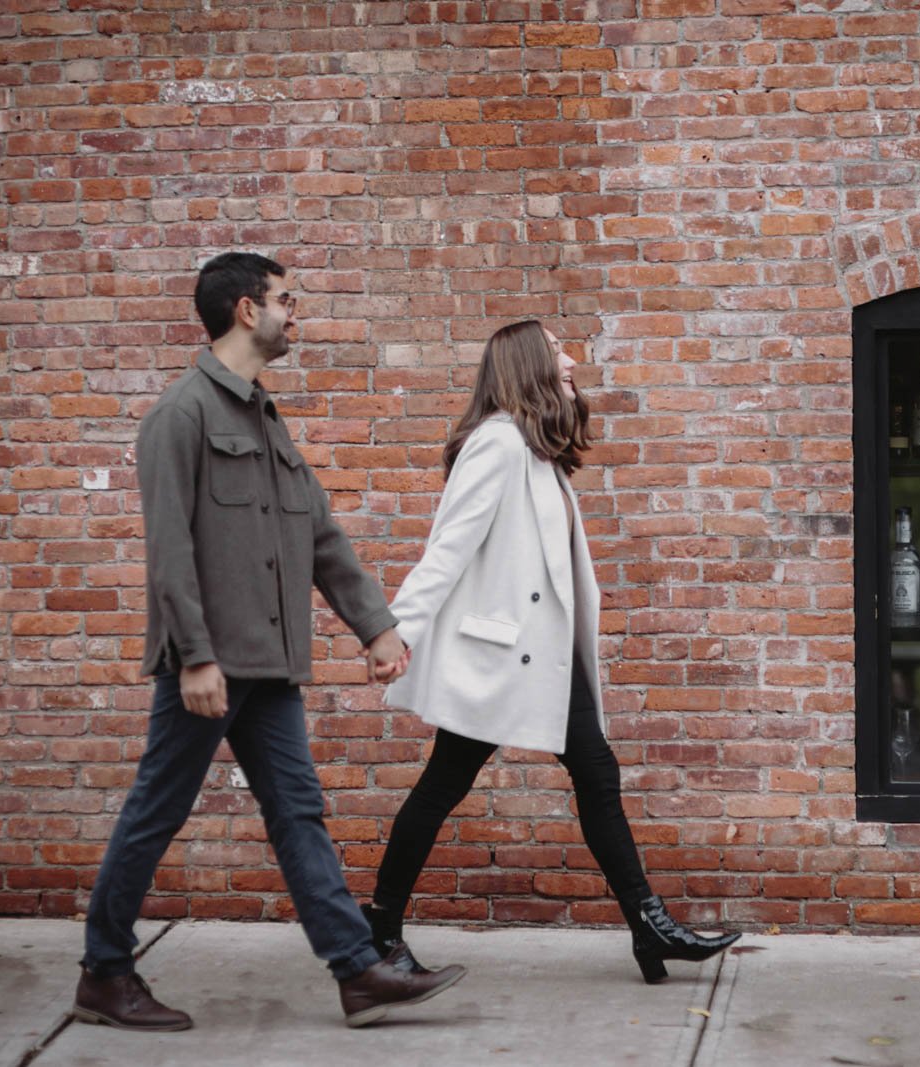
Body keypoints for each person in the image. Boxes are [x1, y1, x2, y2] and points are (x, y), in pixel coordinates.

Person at [74, 252, 465, 1032]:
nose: (299, 312)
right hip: (211, 665)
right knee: (158, 810)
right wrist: (192, 654)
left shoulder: (263, 415)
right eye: (288, 298)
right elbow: (170, 553)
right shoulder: (180, 415)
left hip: (269, 665)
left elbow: (319, 533)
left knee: (299, 813)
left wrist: (376, 626)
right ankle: (105, 972)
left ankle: (357, 971)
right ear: (248, 310)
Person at [368, 320, 742, 983]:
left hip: (541, 660)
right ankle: (379, 931)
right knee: (445, 786)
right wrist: (397, 631)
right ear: (525, 366)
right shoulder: (498, 445)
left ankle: (648, 927)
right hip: (503, 661)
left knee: (594, 773)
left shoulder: (534, 449)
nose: (570, 359)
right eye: (556, 350)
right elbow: (446, 551)